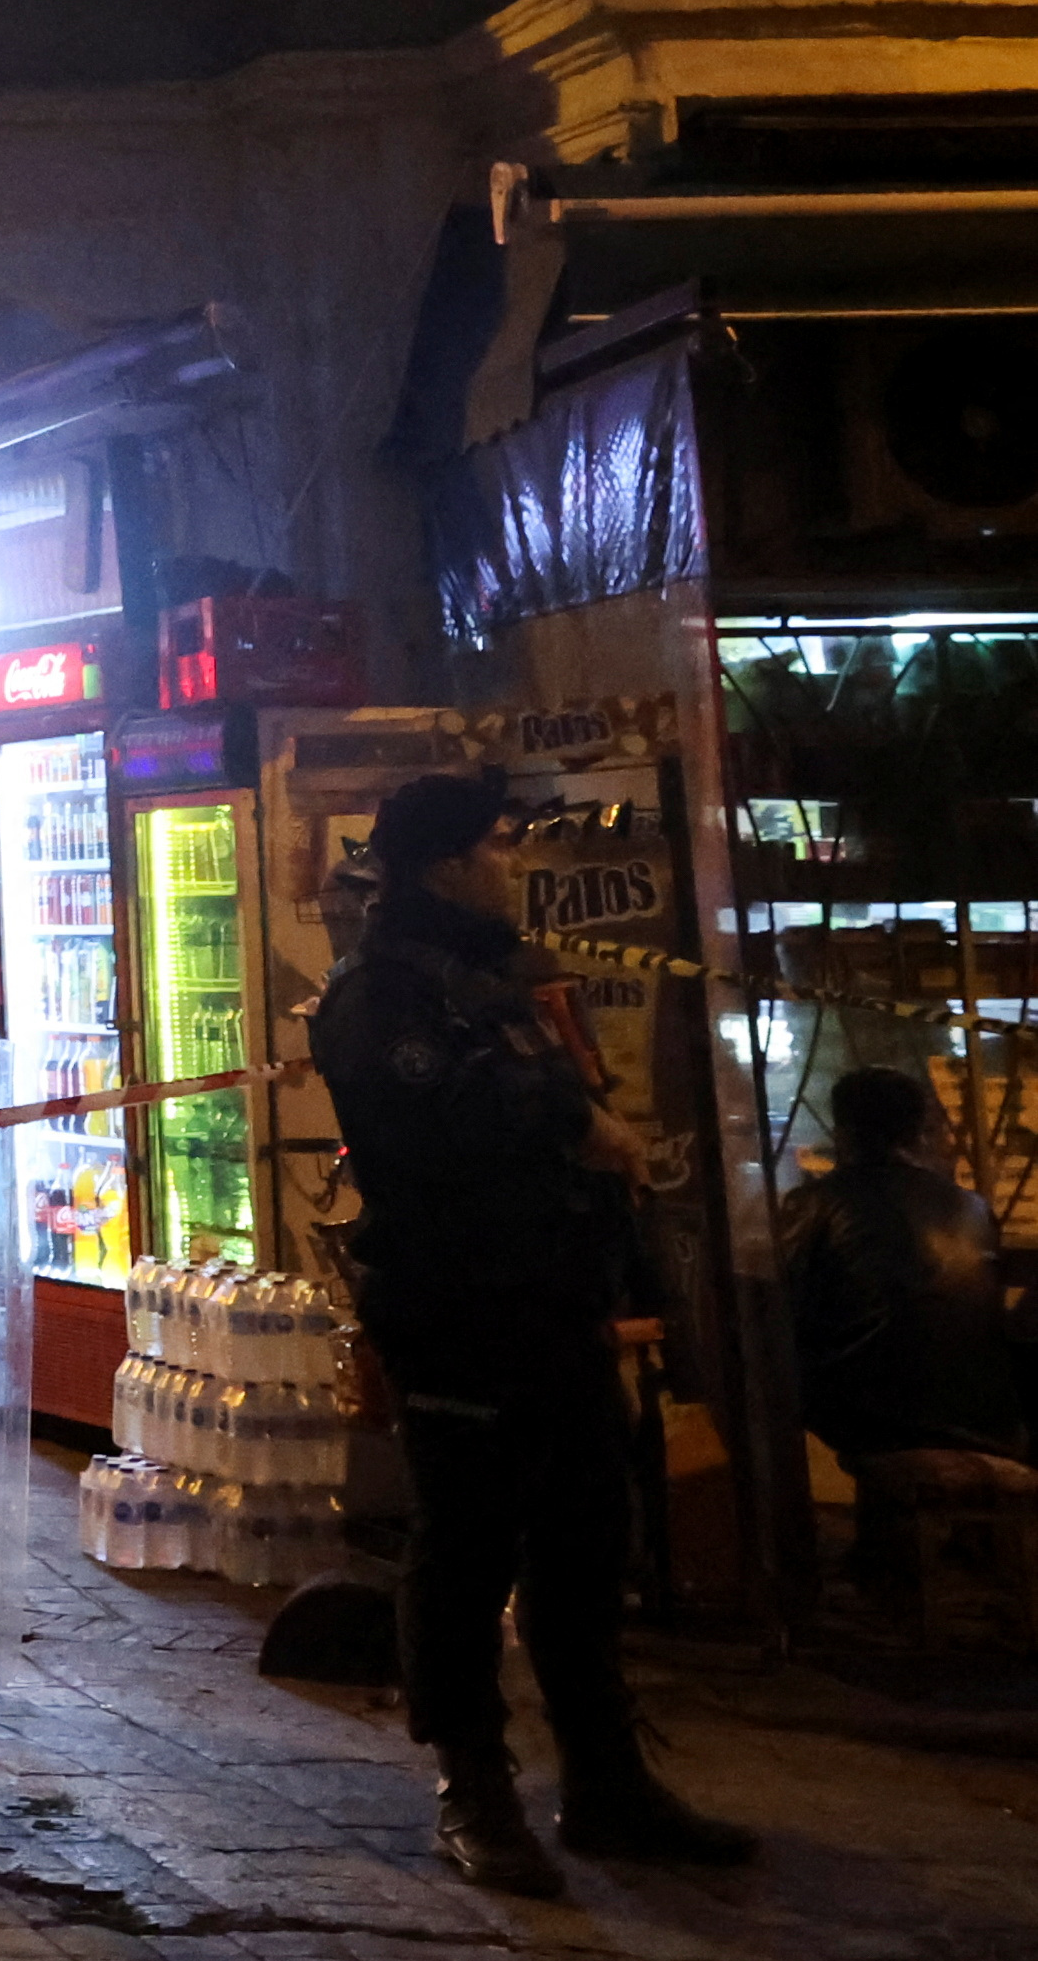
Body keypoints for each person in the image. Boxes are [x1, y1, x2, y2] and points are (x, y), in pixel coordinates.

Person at [310, 768, 751, 1893]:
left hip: (553, 1297)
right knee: (464, 1545)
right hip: (455, 1306)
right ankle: (475, 1784)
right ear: (450, 863)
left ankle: (604, 1779)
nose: (514, 867)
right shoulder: (380, 992)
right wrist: (570, 1118)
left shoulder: (490, 978)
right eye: (500, 847)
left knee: (584, 1536)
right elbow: (435, 1122)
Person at [779, 1064, 1025, 1481]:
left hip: (873, 1422)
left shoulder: (816, 1203)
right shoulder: (973, 1207)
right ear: (918, 1133)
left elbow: (782, 1307)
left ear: (843, 1132)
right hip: (987, 1419)